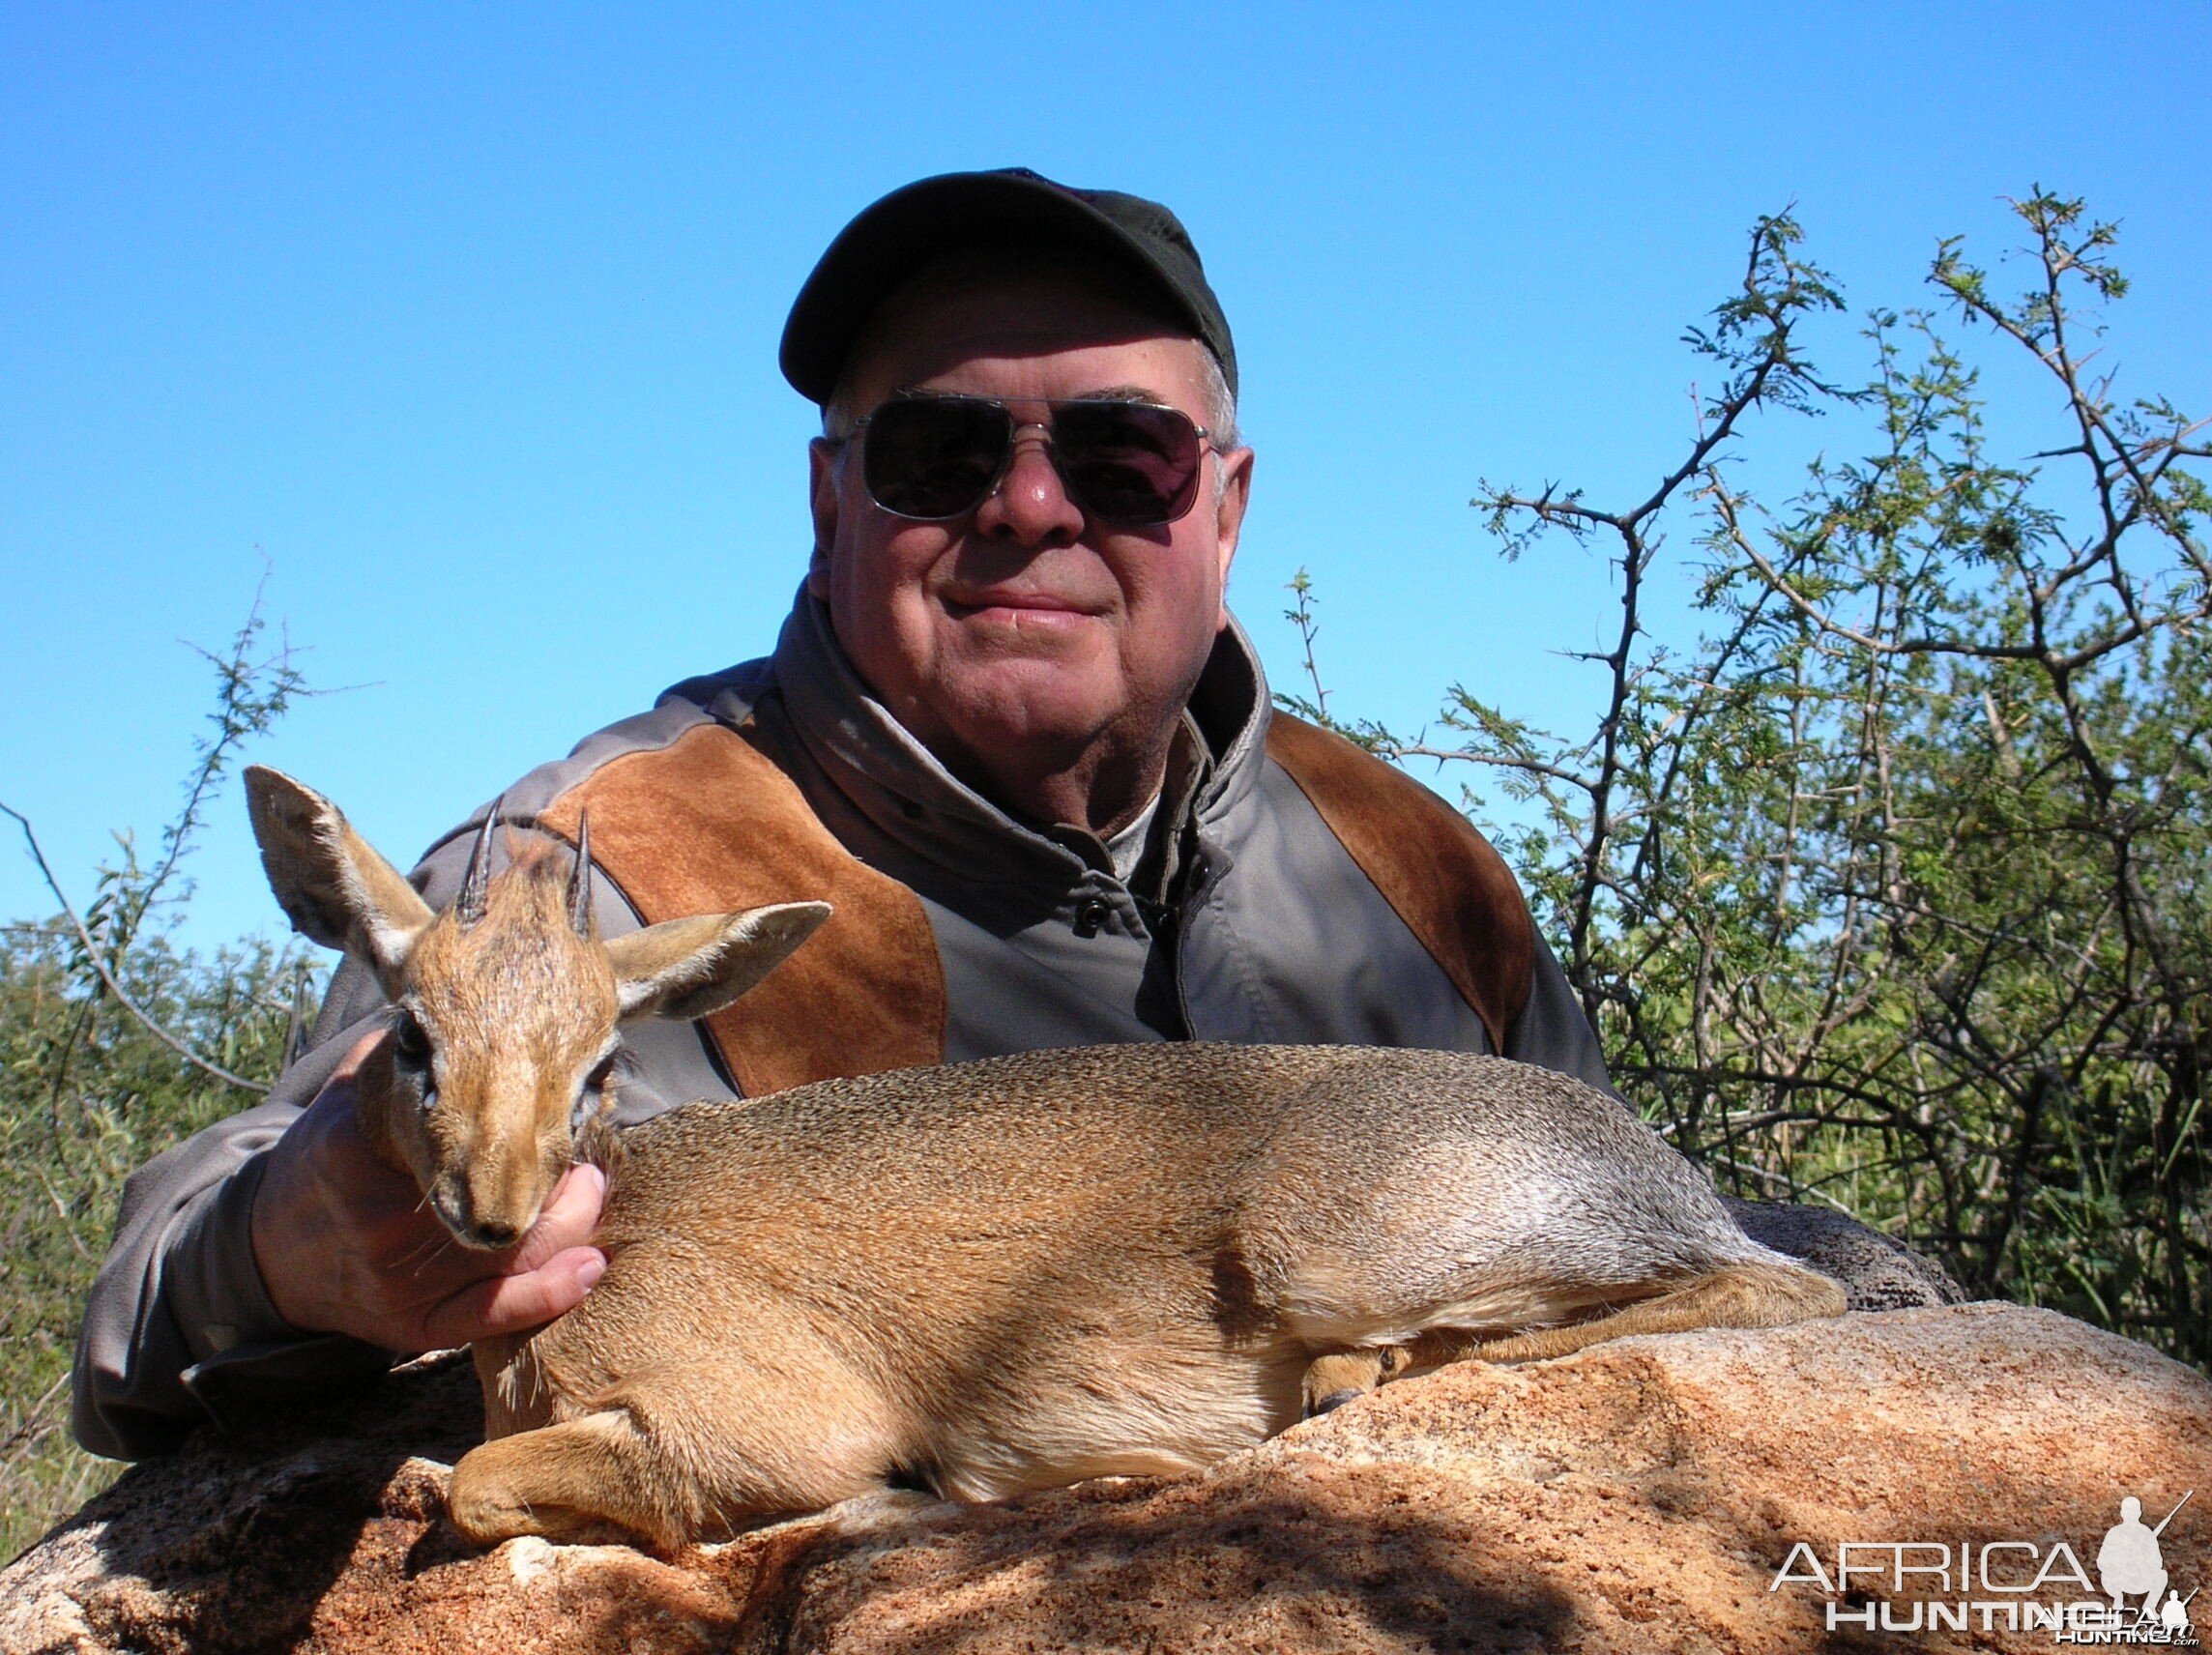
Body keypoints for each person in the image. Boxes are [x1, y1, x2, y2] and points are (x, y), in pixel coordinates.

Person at [72, 169, 1946, 1462]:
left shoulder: (1416, 872)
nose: (1031, 510)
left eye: (1119, 456)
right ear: (829, 504)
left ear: (1224, 508)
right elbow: (177, 1256)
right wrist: (282, 1256)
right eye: (943, 449)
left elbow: (1611, 1225)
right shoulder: (598, 868)